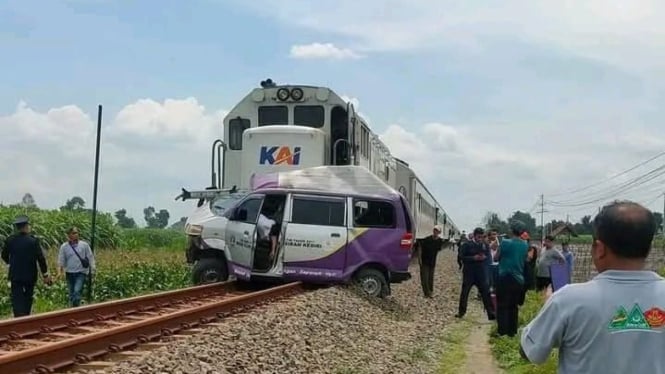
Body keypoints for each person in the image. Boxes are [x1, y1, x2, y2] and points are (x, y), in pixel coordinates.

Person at [520, 200, 665, 373]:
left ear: (599, 248)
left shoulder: (569, 300)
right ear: (648, 248)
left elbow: (529, 352)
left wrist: (548, 308)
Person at [1, 215, 51, 317]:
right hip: (30, 275)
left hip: (15, 275)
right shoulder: (33, 241)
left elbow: (4, 255)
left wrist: (10, 263)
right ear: (26, 226)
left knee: (16, 297)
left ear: (17, 227)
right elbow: (41, 258)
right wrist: (45, 274)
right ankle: (26, 317)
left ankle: (18, 318)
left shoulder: (10, 240)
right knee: (28, 297)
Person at [494, 221, 528, 336]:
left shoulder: (505, 242)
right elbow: (524, 260)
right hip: (518, 280)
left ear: (512, 230)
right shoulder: (525, 245)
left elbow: (496, 258)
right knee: (513, 307)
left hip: (504, 277)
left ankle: (502, 332)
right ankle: (512, 332)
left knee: (502, 306)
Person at [456, 227, 495, 320]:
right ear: (474, 235)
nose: (480, 239)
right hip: (469, 273)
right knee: (465, 293)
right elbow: (461, 257)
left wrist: (483, 257)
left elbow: (488, 256)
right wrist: (473, 258)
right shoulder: (466, 245)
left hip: (480, 274)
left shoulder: (484, 245)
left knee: (486, 293)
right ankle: (461, 312)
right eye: (478, 236)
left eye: (481, 237)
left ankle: (491, 313)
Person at [58, 226, 96, 307]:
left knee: (77, 291)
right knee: (71, 293)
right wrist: (60, 270)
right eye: (72, 233)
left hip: (81, 272)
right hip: (69, 273)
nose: (75, 235)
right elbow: (61, 259)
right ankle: (73, 309)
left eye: (76, 233)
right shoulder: (64, 246)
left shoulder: (84, 245)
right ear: (69, 235)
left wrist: (93, 269)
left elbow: (90, 257)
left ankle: (75, 308)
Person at [418, 226, 445, 298]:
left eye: (437, 231)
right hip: (424, 261)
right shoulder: (427, 239)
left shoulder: (439, 241)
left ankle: (430, 291)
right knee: (424, 278)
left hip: (432, 262)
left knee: (431, 278)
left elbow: (438, 249)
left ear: (439, 232)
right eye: (435, 230)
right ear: (433, 231)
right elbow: (420, 247)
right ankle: (426, 293)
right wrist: (419, 259)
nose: (435, 232)